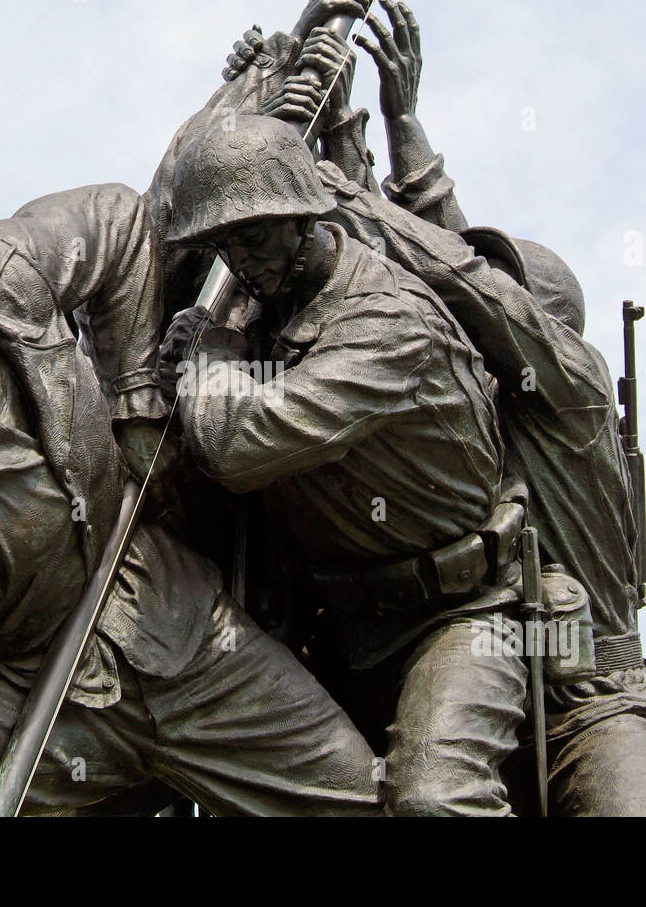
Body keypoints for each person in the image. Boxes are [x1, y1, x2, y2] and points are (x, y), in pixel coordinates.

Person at [0, 187, 384, 816]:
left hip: (178, 625)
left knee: (359, 800)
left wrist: (134, 401)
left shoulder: (1, 271)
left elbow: (119, 223)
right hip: (33, 696)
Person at [296, 0, 646, 814]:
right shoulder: (473, 412)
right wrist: (358, 128)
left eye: (502, 293)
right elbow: (428, 271)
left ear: (537, 320)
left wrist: (341, 186)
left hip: (592, 696)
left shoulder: (575, 386)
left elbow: (456, 276)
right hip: (487, 660)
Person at [159, 115, 536, 816]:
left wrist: (210, 358)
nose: (241, 261)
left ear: (305, 218)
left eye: (255, 234)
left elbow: (235, 446)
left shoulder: (385, 321)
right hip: (336, 622)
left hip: (457, 615)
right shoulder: (271, 309)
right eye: (224, 242)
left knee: (434, 801)